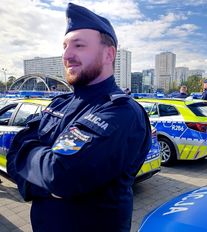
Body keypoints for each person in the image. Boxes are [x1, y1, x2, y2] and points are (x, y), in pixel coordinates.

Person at [6, 3, 151, 232]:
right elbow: (15, 153)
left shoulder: (122, 112)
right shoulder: (60, 103)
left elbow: (60, 176)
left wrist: (39, 171)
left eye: (79, 45)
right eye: (64, 46)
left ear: (108, 54)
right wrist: (46, 178)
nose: (66, 55)